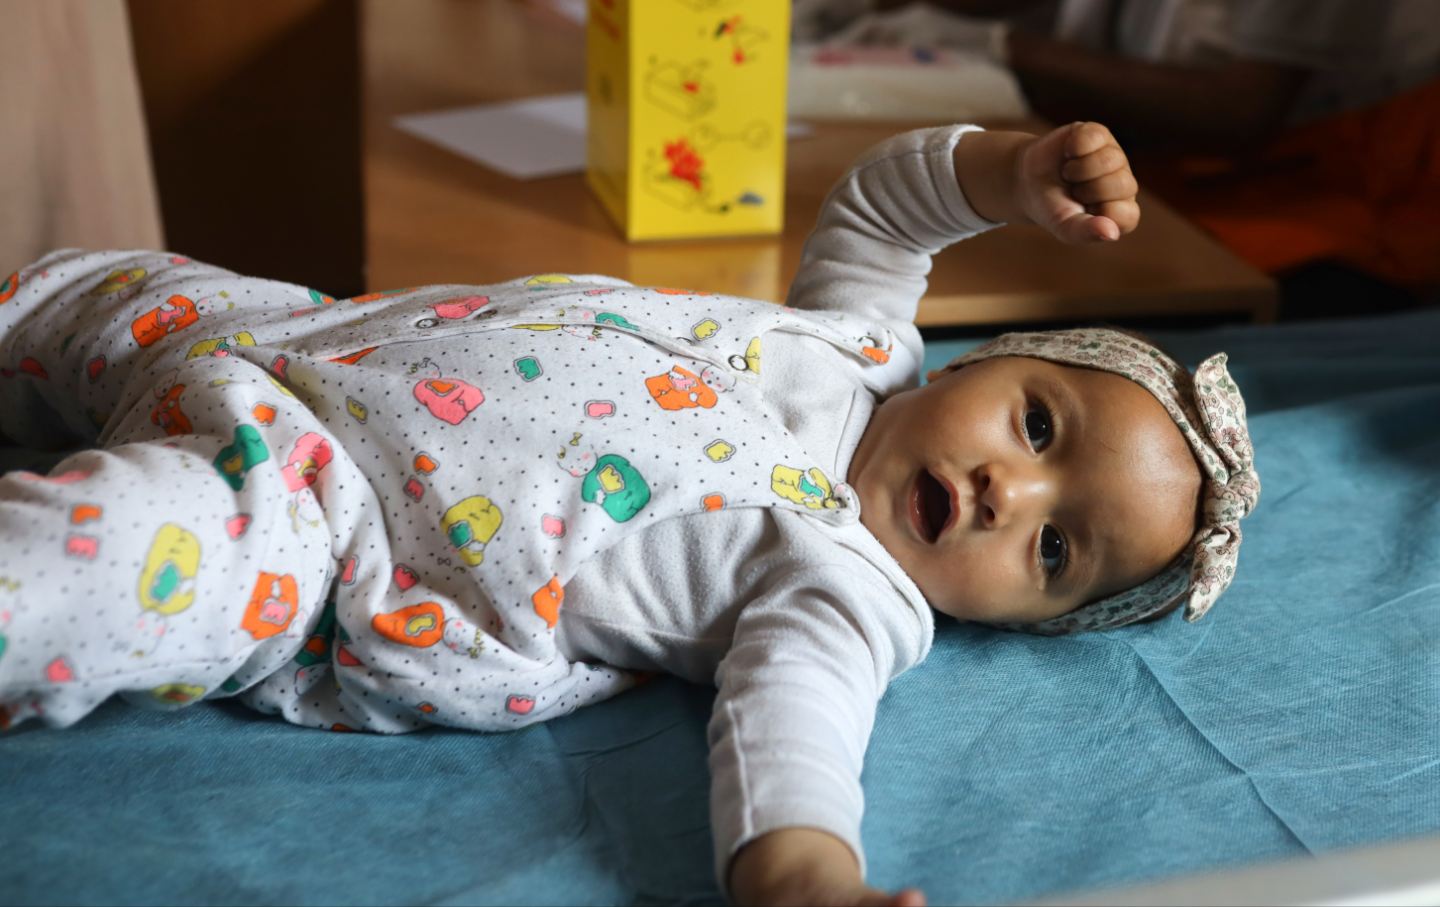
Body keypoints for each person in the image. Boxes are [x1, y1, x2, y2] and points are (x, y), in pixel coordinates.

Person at [0, 121, 1258, 906]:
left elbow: (793, 745)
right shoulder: (864, 344)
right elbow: (885, 204)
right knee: (57, 301)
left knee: (94, 568)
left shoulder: (843, 591)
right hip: (281, 334)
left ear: (1022, 616)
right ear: (996, 358)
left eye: (1052, 547)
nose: (1006, 491)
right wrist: (1010, 169)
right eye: (1037, 427)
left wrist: (807, 878)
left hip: (318, 525)